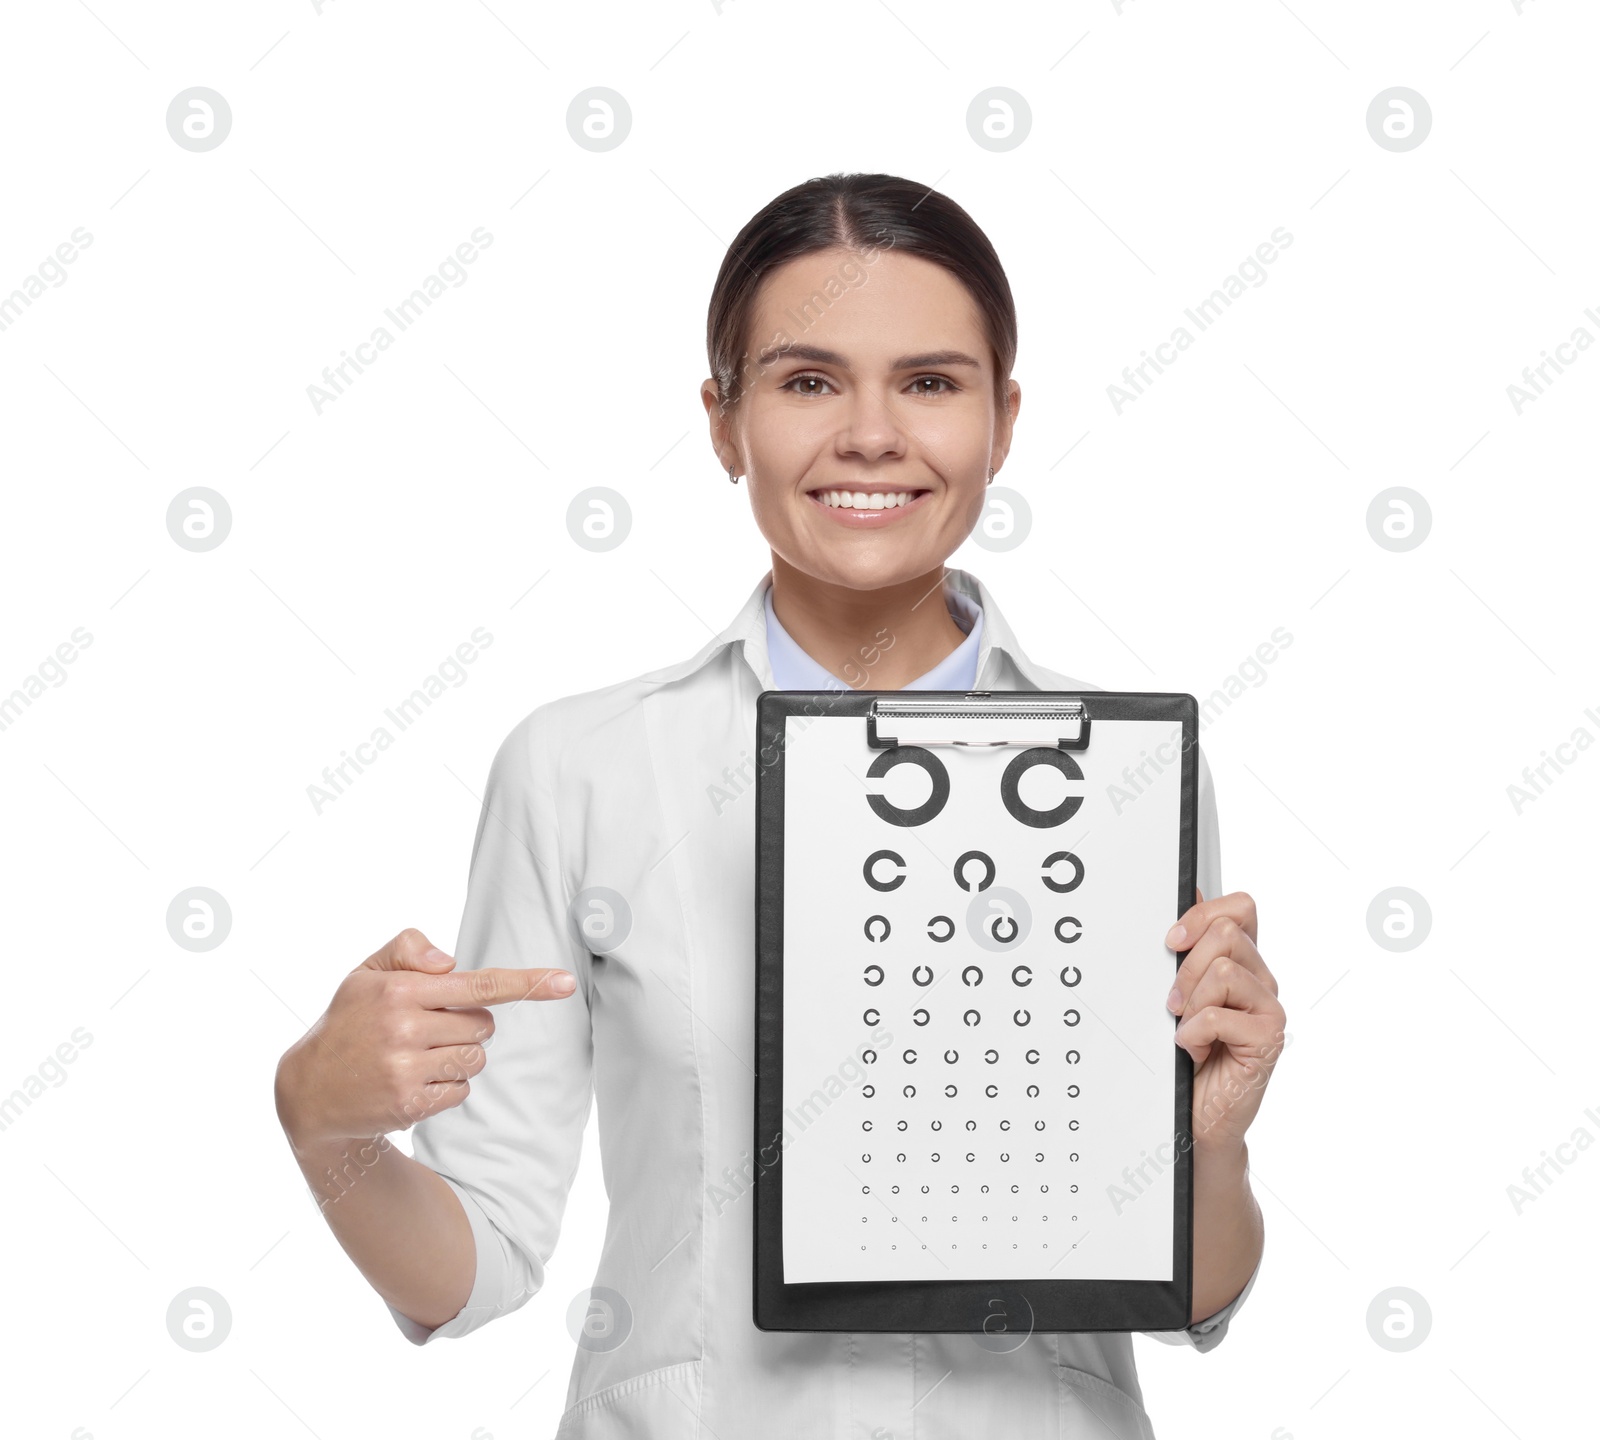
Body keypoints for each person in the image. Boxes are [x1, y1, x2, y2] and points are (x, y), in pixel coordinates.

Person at [274, 171, 1284, 1439]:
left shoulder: (1128, 767)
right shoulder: (580, 764)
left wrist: (1218, 1146)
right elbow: (477, 1264)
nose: (870, 434)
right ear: (722, 421)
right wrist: (325, 1125)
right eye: (808, 382)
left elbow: (1188, 1287)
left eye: (929, 381)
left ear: (1003, 419)